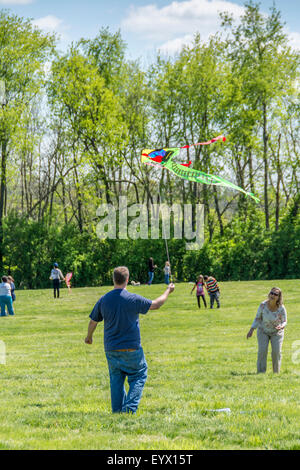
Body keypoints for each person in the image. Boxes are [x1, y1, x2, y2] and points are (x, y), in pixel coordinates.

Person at [85, 266, 175, 414]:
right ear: (127, 280)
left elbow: (93, 322)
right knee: (139, 374)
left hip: (111, 349)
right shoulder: (132, 299)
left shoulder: (104, 300)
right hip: (131, 348)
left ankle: (117, 411)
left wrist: (89, 337)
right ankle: (128, 410)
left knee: (116, 381)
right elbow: (156, 304)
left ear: (114, 279)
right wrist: (168, 290)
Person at [247, 287, 287, 374]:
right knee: (262, 350)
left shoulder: (281, 307)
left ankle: (276, 373)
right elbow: (257, 318)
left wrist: (282, 326)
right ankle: (261, 373)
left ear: (278, 297)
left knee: (276, 352)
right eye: (271, 293)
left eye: (275, 294)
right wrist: (251, 330)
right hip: (263, 330)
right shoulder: (263, 305)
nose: (272, 295)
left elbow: (284, 321)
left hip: (277, 332)